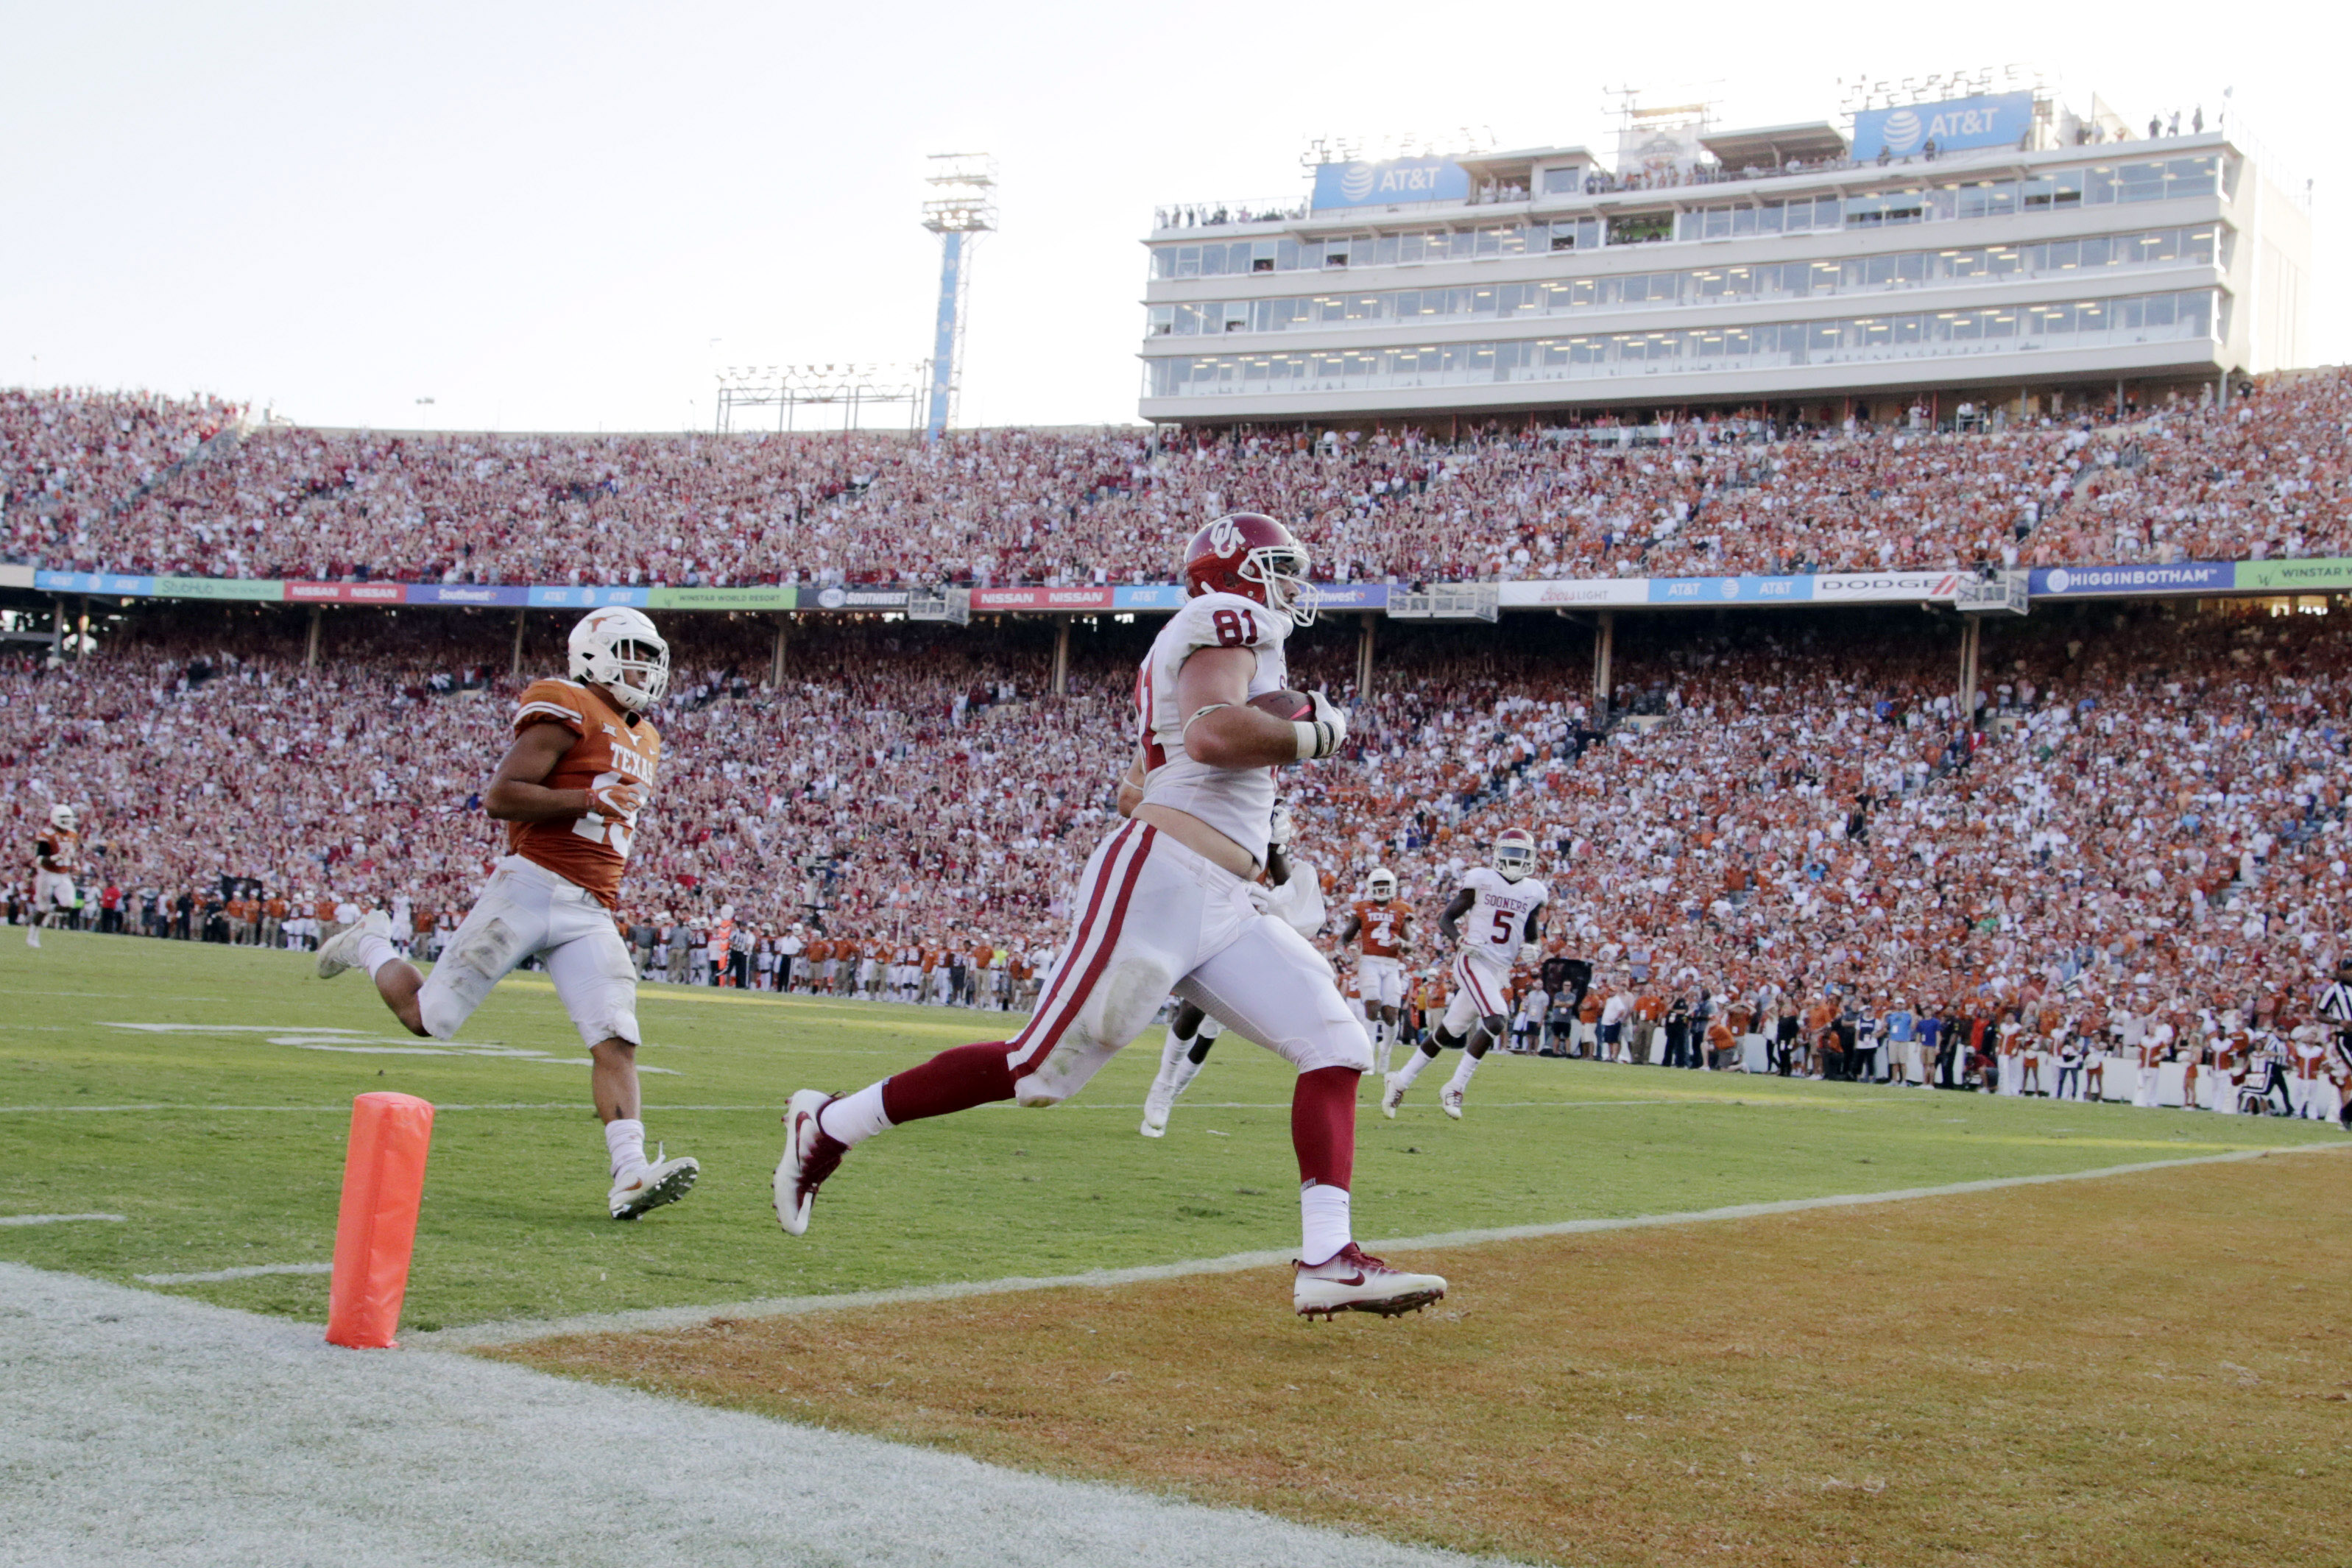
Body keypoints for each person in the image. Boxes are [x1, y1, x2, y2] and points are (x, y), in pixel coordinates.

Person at [770, 513, 1445, 1319]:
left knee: (1336, 1044)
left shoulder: (1220, 639)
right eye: (1276, 568)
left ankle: (1329, 1259)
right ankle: (832, 1123)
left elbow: (1142, 779)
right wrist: (1311, 738)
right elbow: (1211, 737)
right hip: (1163, 883)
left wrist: (1260, 833)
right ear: (1228, 575)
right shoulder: (1226, 620)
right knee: (1037, 1074)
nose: (1291, 586)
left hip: (1225, 896)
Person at [314, 607, 699, 1222]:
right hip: (529, 886)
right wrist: (587, 796)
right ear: (594, 653)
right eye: (633, 652)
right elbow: (502, 796)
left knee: (616, 1035)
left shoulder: (646, 735)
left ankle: (629, 1173)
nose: (645, 667)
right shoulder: (566, 703)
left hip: (592, 907)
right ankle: (370, 941)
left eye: (653, 657)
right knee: (428, 1018)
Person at [1139, 798, 1329, 1136]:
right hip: (1208, 912)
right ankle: (1163, 1085)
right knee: (1193, 1009)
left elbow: (1286, 886)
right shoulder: (1223, 813)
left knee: (1211, 1027)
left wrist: (1277, 846)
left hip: (1245, 926)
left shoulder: (1267, 820)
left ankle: (1169, 1094)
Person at [1380, 826, 1549, 1120]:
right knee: (1496, 1020)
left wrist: (1535, 947)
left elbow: (1532, 934)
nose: (1515, 860)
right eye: (1510, 852)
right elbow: (1446, 918)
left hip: (1498, 970)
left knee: (1448, 1032)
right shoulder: (1481, 880)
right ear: (1497, 854)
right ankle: (1455, 1086)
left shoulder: (1533, 891)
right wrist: (1459, 939)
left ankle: (1400, 1080)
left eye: (1521, 854)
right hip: (1473, 960)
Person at [1336, 867, 1414, 1076]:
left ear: (1392, 888)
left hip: (1390, 964)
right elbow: (1347, 935)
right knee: (1372, 1005)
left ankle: (1385, 1051)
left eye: (1384, 886)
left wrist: (1404, 945)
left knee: (1391, 1014)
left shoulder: (1401, 908)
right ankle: (1368, 1058)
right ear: (1371, 887)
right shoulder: (1362, 907)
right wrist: (1340, 946)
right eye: (1377, 886)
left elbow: (1410, 943)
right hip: (1369, 961)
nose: (1381, 890)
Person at [27, 803, 80, 949]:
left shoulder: (72, 834)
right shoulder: (47, 835)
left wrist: (74, 863)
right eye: (64, 818)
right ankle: (33, 934)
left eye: (68, 818)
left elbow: (70, 853)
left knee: (69, 903)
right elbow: (38, 859)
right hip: (47, 873)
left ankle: (50, 912)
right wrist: (54, 858)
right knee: (42, 908)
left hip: (63, 874)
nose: (67, 821)